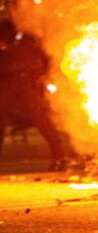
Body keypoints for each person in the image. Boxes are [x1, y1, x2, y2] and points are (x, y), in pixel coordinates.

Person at [0, 18, 68, 171]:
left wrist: (6, 49)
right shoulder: (5, 28)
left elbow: (35, 54)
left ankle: (59, 157)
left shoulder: (29, 31)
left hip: (25, 82)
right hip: (6, 82)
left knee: (41, 118)